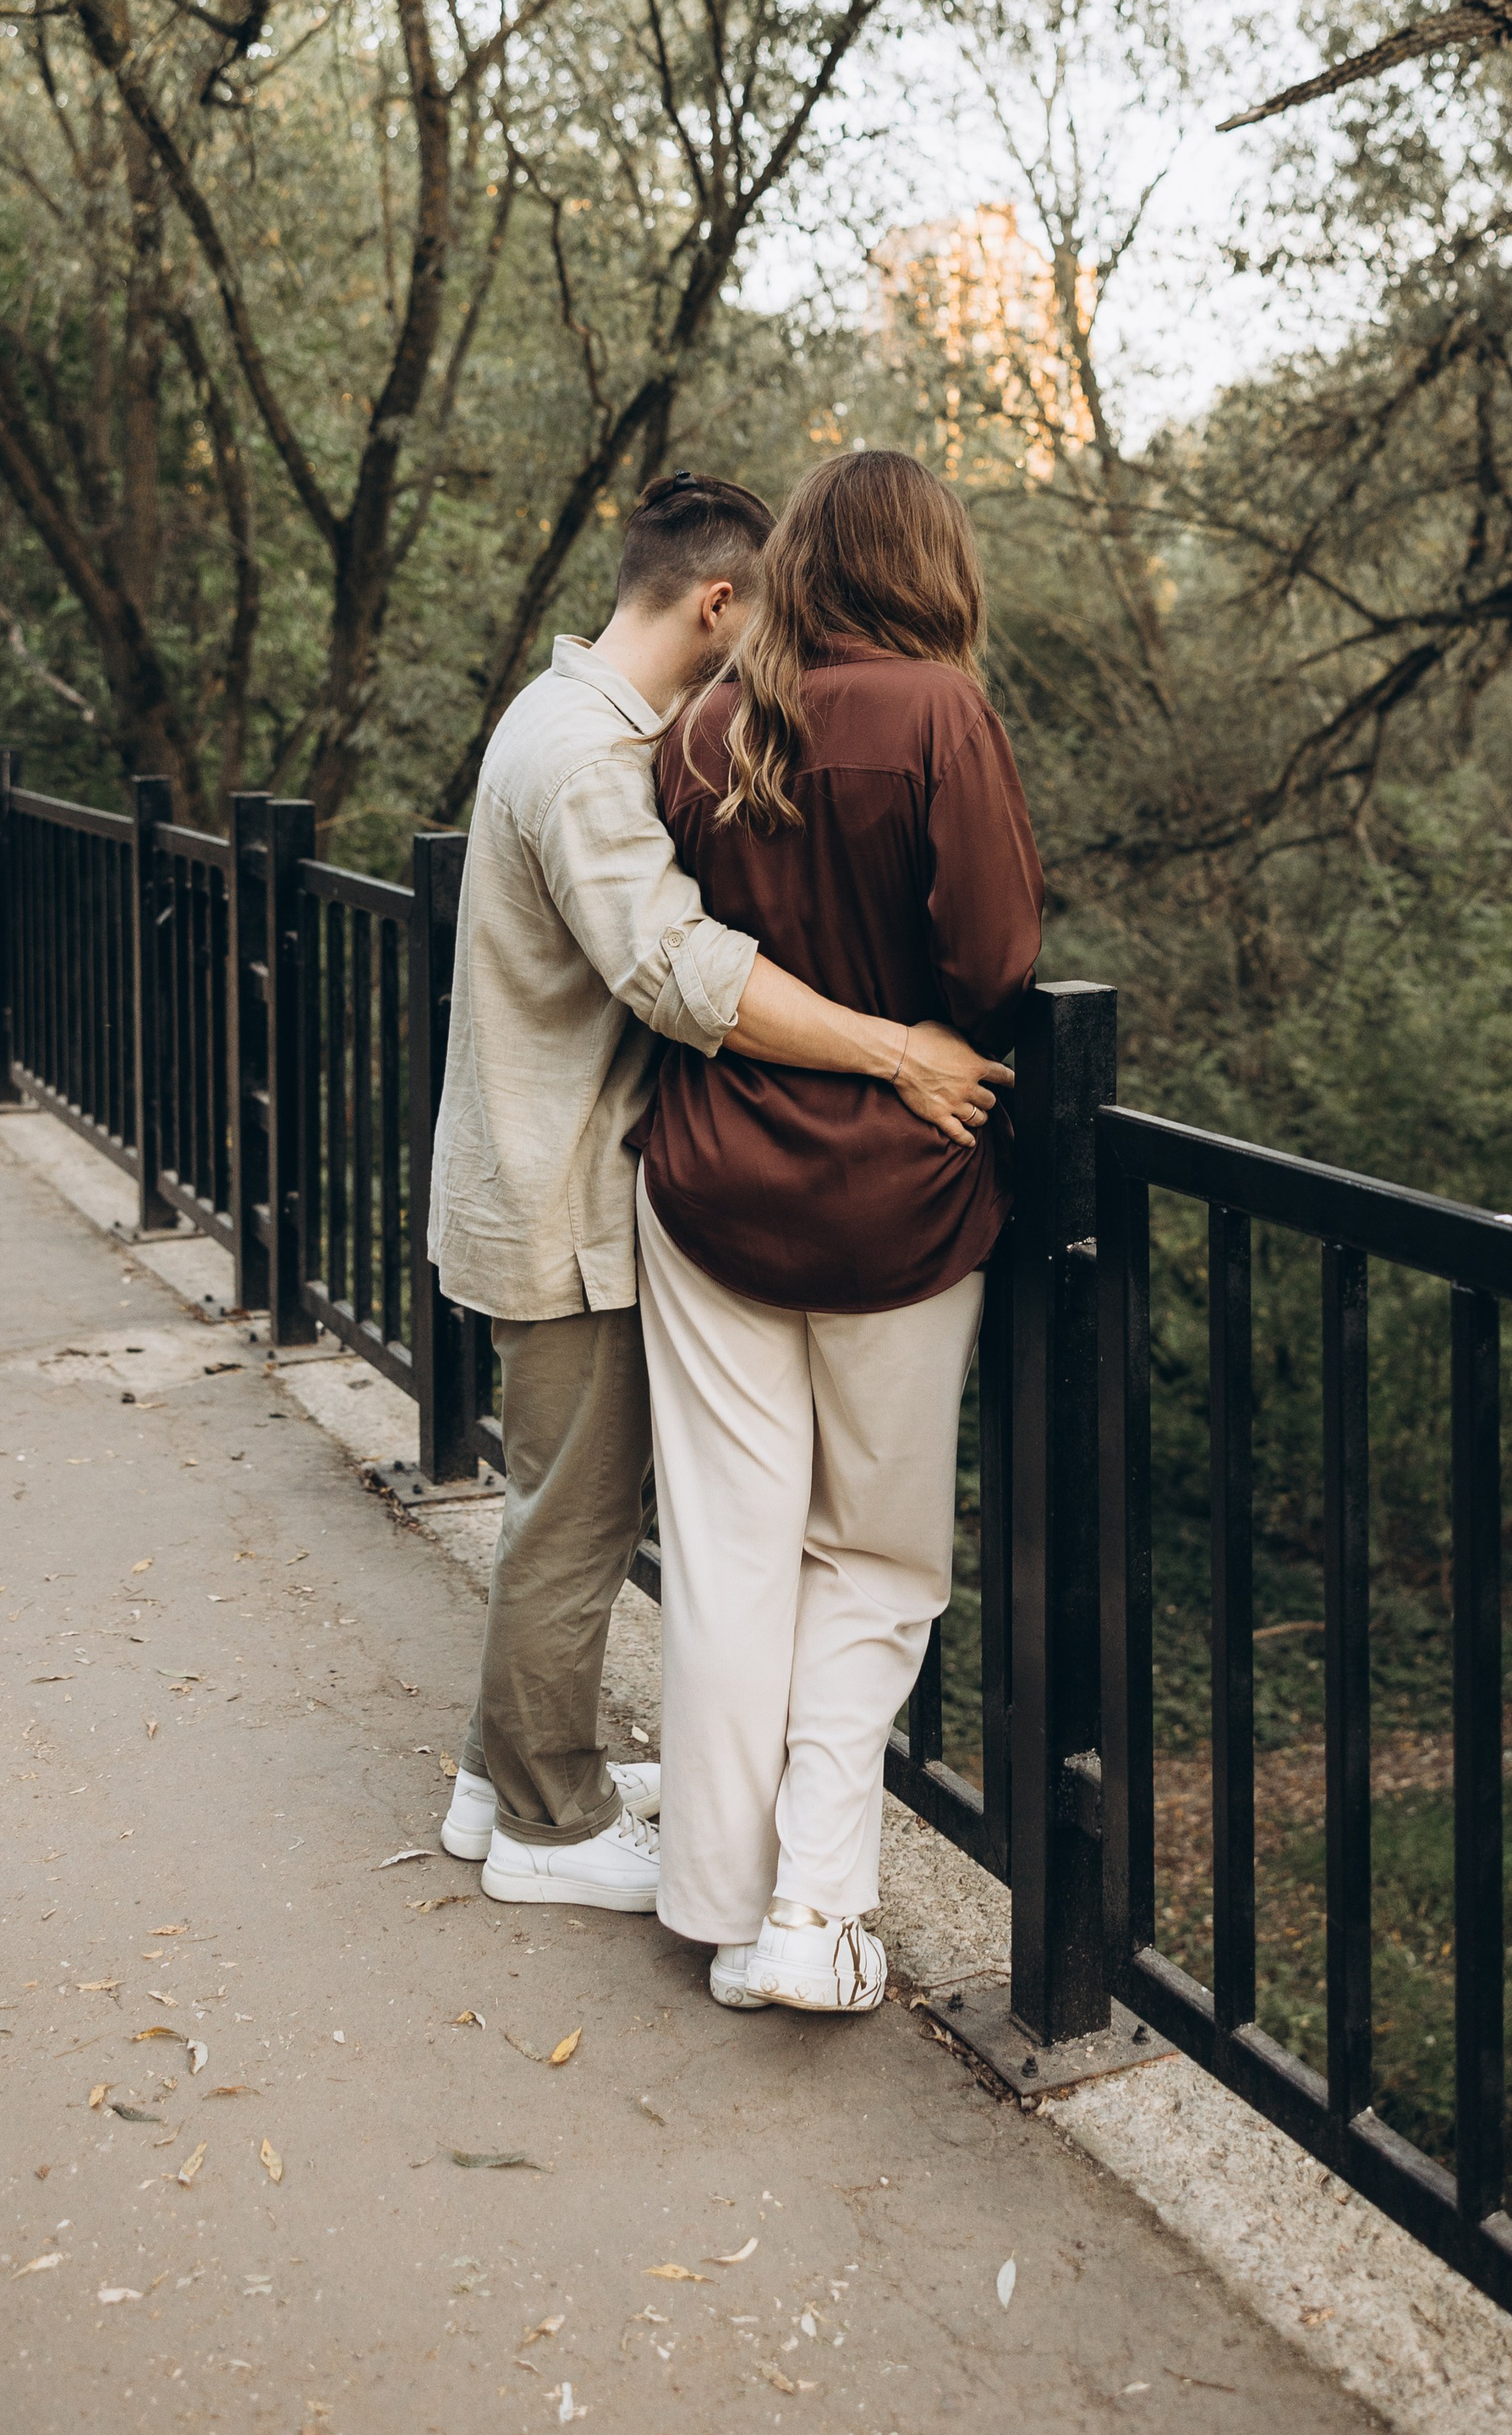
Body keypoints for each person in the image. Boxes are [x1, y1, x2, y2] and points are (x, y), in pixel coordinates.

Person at [425, 469, 1011, 1913]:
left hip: (576, 1173)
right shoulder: (587, 760)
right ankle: (548, 1824)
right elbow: (678, 968)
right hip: (567, 1189)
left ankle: (498, 1779)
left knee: (574, 1503)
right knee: (574, 1518)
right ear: (721, 601)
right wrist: (896, 1051)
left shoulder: (593, 725)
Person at [637, 448, 1044, 2014]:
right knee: (872, 1558)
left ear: (800, 560)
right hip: (901, 1201)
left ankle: (716, 1902)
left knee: (730, 1554)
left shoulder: (708, 726)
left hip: (711, 1187)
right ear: (930, 565)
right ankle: (811, 1919)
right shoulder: (939, 714)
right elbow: (996, 967)